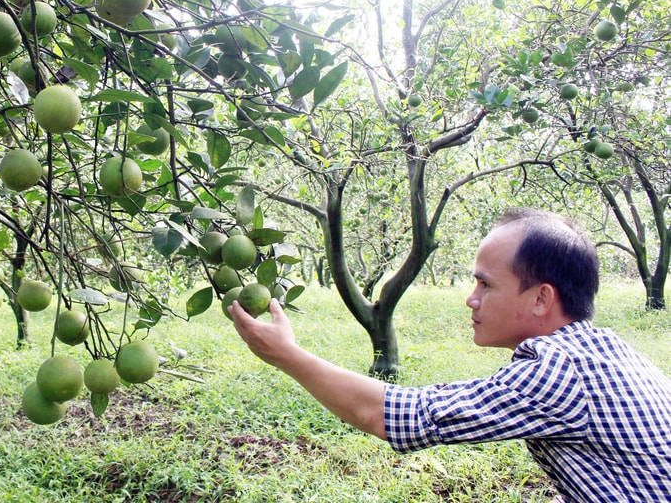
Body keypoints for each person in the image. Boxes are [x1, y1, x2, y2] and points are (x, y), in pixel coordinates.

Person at [230, 208, 671, 502]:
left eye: (486, 284)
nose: (471, 300)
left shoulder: (560, 370)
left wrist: (286, 355)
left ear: (541, 299)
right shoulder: (603, 349)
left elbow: (398, 416)